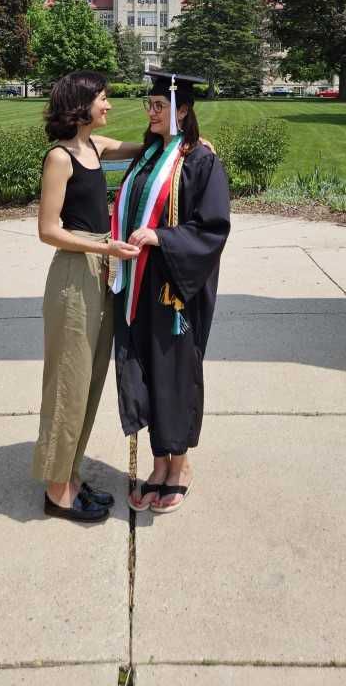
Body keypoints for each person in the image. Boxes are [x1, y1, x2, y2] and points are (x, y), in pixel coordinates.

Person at [111, 71, 230, 515]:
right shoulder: (149, 157)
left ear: (182, 110)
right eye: (150, 105)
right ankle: (159, 463)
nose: (151, 112)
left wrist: (162, 239)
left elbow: (213, 227)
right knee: (146, 369)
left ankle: (179, 465)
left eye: (159, 106)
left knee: (174, 370)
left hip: (176, 288)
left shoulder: (200, 161)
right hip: (137, 285)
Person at [33, 70, 142, 524]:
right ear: (81, 104)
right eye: (103, 98)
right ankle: (57, 491)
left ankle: (70, 475)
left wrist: (191, 140)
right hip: (75, 274)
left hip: (102, 270)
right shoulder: (60, 157)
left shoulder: (94, 148)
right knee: (69, 381)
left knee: (92, 379)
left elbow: (143, 148)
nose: (109, 106)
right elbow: (48, 230)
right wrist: (104, 247)